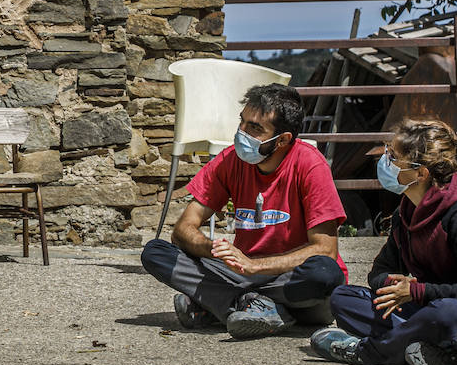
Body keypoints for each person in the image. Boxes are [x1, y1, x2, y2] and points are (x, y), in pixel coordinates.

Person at [311, 120, 457, 365]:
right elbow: (379, 271)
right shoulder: (405, 212)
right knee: (344, 299)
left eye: (393, 157)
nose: (385, 162)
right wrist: (393, 287)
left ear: (421, 173)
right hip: (431, 308)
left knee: (444, 313)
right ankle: (432, 350)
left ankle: (369, 350)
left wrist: (416, 292)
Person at [141, 83, 348, 338]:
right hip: (241, 274)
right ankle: (253, 306)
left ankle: (217, 304)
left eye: (255, 128)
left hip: (292, 283)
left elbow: (325, 249)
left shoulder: (310, 165)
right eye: (243, 122)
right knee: (156, 252)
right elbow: (183, 229)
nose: (242, 132)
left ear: (282, 140)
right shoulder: (229, 160)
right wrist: (214, 250)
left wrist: (254, 266)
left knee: (324, 274)